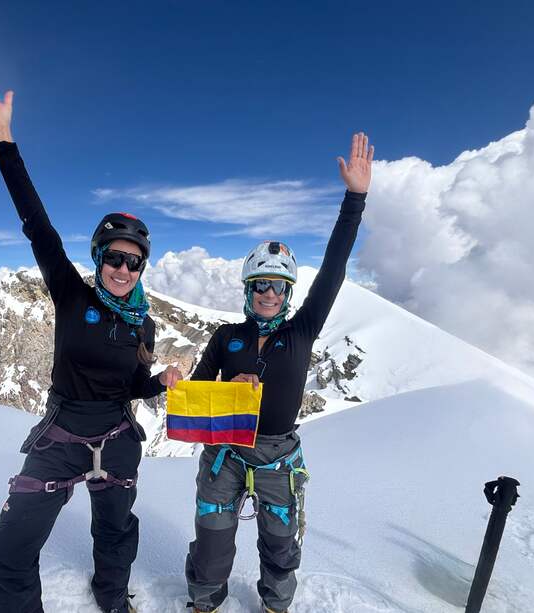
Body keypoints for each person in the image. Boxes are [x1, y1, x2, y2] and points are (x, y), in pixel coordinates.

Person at [0, 65, 182, 613]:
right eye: (114, 256)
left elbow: (133, 384)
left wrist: (159, 380)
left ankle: (113, 599)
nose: (123, 268)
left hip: (118, 434)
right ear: (98, 258)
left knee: (116, 533)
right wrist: (3, 139)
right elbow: (38, 226)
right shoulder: (71, 295)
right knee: (9, 552)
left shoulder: (142, 322)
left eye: (133, 261)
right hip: (61, 435)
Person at [184, 133, 374, 613]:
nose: (269, 293)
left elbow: (333, 268)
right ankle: (204, 602)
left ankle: (274, 605)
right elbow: (196, 398)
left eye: (278, 286)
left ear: (289, 293)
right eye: (261, 285)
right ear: (249, 290)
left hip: (278, 458)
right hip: (225, 451)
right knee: (211, 545)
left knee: (280, 547)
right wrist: (229, 388)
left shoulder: (303, 330)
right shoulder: (226, 335)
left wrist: (355, 199)